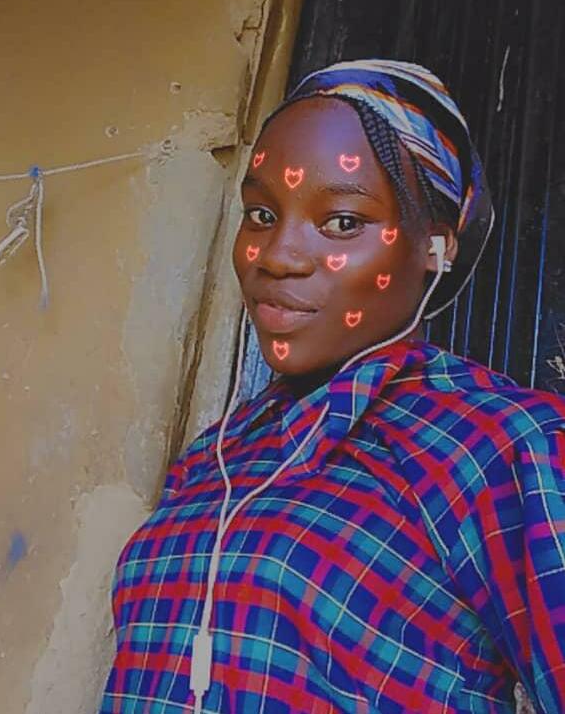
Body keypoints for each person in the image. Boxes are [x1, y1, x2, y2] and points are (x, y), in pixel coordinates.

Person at [98, 60, 565, 713]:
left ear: (435, 248)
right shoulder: (216, 457)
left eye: (342, 222)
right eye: (261, 214)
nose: (277, 256)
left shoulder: (500, 443)